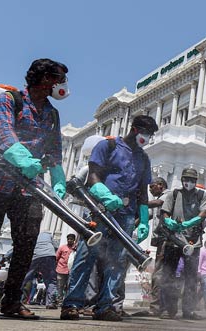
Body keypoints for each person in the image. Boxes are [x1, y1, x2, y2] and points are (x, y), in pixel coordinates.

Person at [0, 59, 69, 320]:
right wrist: (22, 157)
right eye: (59, 79)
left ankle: (12, 301)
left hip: (28, 191)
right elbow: (5, 132)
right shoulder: (10, 99)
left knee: (26, 245)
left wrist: (58, 176)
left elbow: (54, 148)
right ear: (45, 80)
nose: (62, 85)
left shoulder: (52, 113)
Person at [61, 115, 157, 322]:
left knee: (118, 261)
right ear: (134, 129)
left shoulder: (144, 158)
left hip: (126, 215)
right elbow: (93, 174)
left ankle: (106, 306)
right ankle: (72, 304)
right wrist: (104, 193)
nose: (147, 138)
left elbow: (142, 190)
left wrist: (143, 217)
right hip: (100, 209)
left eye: (150, 135)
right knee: (86, 256)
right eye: (145, 133)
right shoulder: (109, 146)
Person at [159, 167, 206, 319]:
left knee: (190, 278)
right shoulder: (173, 194)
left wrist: (192, 222)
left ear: (196, 181)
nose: (188, 182)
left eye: (192, 180)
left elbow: (205, 212)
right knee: (168, 275)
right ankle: (168, 309)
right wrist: (168, 221)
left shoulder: (203, 195)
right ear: (182, 180)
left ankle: (188, 310)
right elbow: (165, 212)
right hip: (173, 240)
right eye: (186, 179)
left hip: (193, 242)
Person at [146, 177, 170, 316]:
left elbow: (157, 203)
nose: (150, 189)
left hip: (166, 239)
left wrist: (140, 202)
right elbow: (150, 215)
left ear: (160, 185)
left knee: (159, 272)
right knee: (159, 272)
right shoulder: (160, 197)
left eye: (152, 186)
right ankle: (159, 306)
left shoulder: (167, 194)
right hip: (160, 239)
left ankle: (157, 307)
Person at [21, 232, 58, 308]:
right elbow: (56, 246)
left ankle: (12, 298)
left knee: (24, 278)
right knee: (51, 280)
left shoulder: (32, 235)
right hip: (49, 256)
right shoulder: (49, 235)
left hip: (36, 256)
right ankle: (50, 303)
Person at [54, 234, 76, 305]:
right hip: (61, 269)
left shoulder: (76, 248)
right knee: (60, 286)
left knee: (69, 286)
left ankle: (67, 301)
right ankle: (59, 300)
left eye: (71, 239)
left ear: (74, 240)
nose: (69, 240)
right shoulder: (62, 247)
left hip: (71, 271)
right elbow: (56, 257)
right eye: (68, 239)